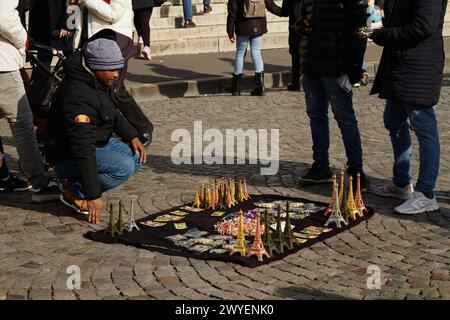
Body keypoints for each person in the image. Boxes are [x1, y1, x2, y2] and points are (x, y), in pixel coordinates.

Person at [47, 38, 148, 224]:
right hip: (68, 155)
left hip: (97, 140)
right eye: (112, 69)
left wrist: (132, 135)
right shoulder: (78, 96)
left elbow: (111, 113)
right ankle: (77, 191)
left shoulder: (96, 80)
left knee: (137, 156)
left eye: (118, 68)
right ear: (96, 67)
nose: (117, 74)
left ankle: (78, 185)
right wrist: (93, 194)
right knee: (124, 167)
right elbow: (82, 149)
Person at [370, 0, 447, 214]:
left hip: (419, 65)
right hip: (401, 65)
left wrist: (385, 35)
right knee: (393, 120)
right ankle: (401, 182)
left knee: (424, 126)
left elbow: (423, 25)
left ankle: (426, 193)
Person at [296, 0, 370, 191]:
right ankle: (321, 166)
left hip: (336, 68)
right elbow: (303, 18)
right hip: (311, 65)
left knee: (345, 119)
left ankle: (356, 170)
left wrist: (353, 68)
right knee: (316, 117)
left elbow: (360, 30)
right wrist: (301, 26)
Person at [0, 0, 61, 202]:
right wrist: (22, 38)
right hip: (2, 65)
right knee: (22, 123)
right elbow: (4, 16)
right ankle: (41, 183)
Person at [227, 0, 282, 96]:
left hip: (242, 25)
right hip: (259, 24)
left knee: (240, 54)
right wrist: (285, 12)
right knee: (256, 53)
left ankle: (236, 87)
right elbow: (270, 5)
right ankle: (260, 86)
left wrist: (230, 31)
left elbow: (232, 11)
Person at [28, 0, 72, 82]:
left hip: (61, 23)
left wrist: (67, 24)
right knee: (43, 63)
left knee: (71, 61)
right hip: (44, 23)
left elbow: (72, 3)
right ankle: (37, 91)